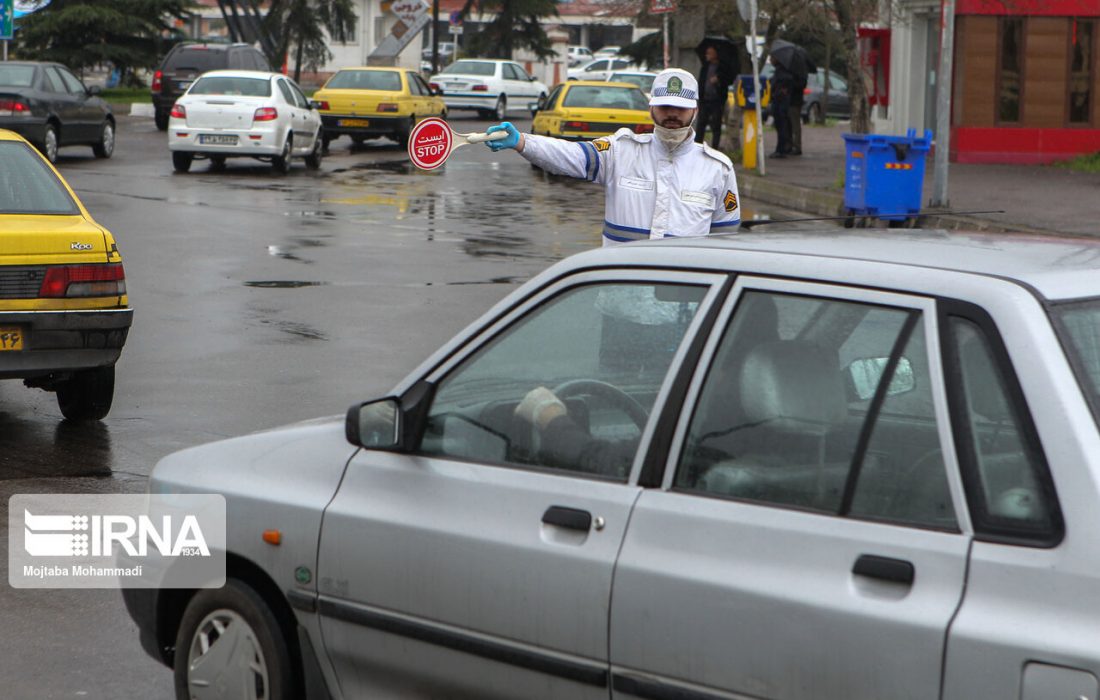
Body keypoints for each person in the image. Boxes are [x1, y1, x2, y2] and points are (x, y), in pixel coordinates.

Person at [483, 68, 741, 245]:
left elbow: (725, 242)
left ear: (694, 110)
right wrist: (523, 142)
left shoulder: (718, 169)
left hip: (685, 308)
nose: (672, 114)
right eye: (664, 107)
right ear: (651, 108)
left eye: (681, 108)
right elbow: (571, 155)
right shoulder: (620, 151)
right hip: (621, 304)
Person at [694, 46, 735, 149]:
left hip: (716, 100)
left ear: (716, 54)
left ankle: (715, 147)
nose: (707, 55)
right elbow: (701, 81)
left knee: (716, 125)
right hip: (704, 99)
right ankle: (697, 145)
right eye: (707, 53)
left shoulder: (722, 68)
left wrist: (718, 79)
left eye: (710, 53)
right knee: (701, 124)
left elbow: (728, 80)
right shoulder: (705, 67)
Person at [769, 54, 795, 158]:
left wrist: (779, 91)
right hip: (780, 101)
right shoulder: (780, 71)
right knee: (781, 126)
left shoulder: (782, 72)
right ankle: (781, 148)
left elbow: (780, 84)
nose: (770, 60)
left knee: (781, 126)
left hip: (780, 102)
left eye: (772, 58)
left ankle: (781, 149)